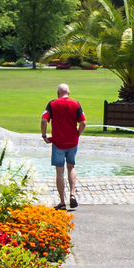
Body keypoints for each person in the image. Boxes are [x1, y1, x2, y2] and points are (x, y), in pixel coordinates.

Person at [40, 82, 87, 210]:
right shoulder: (75, 104)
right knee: (71, 167)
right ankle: (72, 193)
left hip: (58, 143)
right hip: (72, 142)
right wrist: (78, 134)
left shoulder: (52, 104)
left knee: (59, 172)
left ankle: (62, 202)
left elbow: (44, 120)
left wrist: (44, 136)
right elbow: (83, 122)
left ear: (58, 93)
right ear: (69, 92)